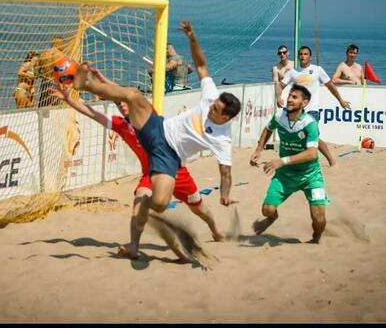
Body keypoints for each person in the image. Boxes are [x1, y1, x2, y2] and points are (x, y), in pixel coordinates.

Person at [73, 21, 242, 259]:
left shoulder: (223, 139)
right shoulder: (212, 96)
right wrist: (192, 37)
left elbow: (225, 173)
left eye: (216, 110)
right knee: (133, 94)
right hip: (157, 128)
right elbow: (202, 65)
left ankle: (202, 226)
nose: (210, 109)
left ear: (226, 117)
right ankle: (87, 83)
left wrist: (225, 194)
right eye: (213, 105)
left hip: (168, 157)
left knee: (161, 203)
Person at [52, 74, 223, 261]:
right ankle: (134, 247)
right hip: (149, 174)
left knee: (199, 208)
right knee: (137, 205)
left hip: (176, 171)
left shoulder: (150, 116)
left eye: (124, 102)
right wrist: (69, 99)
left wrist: (105, 80)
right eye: (118, 104)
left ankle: (215, 230)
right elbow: (92, 113)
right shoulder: (120, 124)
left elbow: (126, 94)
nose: (122, 105)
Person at [249, 84, 329, 244]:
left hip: (311, 175)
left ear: (304, 103)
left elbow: (312, 153)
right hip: (285, 175)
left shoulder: (309, 123)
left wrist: (282, 161)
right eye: (289, 96)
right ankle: (272, 218)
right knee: (267, 210)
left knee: (319, 218)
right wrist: (259, 149)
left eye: (294, 97)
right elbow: (268, 129)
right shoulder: (279, 116)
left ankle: (315, 239)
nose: (289, 100)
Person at [276, 46, 351, 167]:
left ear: (310, 57)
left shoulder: (317, 70)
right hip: (297, 112)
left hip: (312, 111)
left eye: (305, 54)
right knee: (301, 136)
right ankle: (300, 160)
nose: (303, 56)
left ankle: (331, 160)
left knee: (312, 137)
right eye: (301, 54)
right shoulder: (293, 72)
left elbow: (330, 85)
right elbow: (280, 85)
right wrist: (278, 97)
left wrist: (340, 100)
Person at [37, 37, 67, 108]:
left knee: (43, 106)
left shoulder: (43, 54)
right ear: (58, 44)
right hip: (56, 83)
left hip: (45, 83)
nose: (64, 46)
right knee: (57, 108)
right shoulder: (61, 55)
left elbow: (36, 73)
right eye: (63, 44)